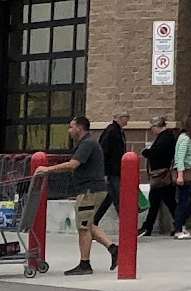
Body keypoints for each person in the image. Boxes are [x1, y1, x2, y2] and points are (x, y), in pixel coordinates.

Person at [35, 118, 116, 275]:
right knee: (88, 224)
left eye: (71, 127)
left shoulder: (87, 144)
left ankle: (85, 264)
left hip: (89, 191)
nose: (69, 130)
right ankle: (113, 249)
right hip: (91, 189)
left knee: (83, 228)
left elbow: (73, 164)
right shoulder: (86, 143)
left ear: (79, 128)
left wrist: (47, 169)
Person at [139, 117, 180, 237]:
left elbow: (157, 153)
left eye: (152, 127)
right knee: (162, 202)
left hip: (161, 175)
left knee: (163, 201)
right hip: (161, 175)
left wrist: (146, 152)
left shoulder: (165, 138)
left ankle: (149, 227)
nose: (151, 130)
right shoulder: (167, 136)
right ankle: (149, 226)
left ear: (157, 127)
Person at [97, 110, 129, 236]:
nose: (128, 120)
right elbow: (104, 151)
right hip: (112, 171)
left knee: (108, 199)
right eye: (126, 117)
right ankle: (126, 227)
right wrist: (104, 171)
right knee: (118, 198)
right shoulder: (111, 131)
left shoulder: (119, 131)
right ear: (120, 117)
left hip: (116, 170)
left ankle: (93, 223)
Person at [171, 123, 191, 238]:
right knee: (184, 201)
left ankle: (179, 223)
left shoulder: (182, 138)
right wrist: (180, 175)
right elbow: (180, 157)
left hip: (187, 174)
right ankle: (178, 227)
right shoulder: (185, 139)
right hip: (185, 174)